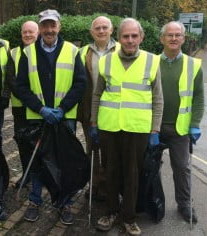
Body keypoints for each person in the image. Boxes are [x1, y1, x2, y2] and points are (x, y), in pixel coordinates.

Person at [91, 18, 163, 236]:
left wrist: (155, 130)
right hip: (109, 126)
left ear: (141, 37)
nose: (130, 40)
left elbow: (158, 99)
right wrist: (94, 123)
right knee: (110, 172)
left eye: (134, 36)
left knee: (132, 175)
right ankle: (110, 212)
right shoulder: (106, 61)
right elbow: (97, 94)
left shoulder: (152, 61)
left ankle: (129, 217)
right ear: (119, 38)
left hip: (137, 128)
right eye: (125, 36)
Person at [15, 9, 86, 225]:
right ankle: (35, 201)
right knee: (38, 162)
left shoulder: (73, 51)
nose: (49, 29)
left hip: (64, 119)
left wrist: (62, 109)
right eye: (45, 25)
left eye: (52, 25)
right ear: (40, 28)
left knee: (64, 162)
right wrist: (41, 109)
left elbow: (80, 83)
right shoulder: (28, 53)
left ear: (59, 26)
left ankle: (64, 203)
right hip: (38, 118)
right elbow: (21, 87)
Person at [159, 21, 204, 223]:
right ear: (162, 38)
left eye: (178, 35)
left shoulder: (193, 65)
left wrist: (195, 123)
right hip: (153, 127)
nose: (174, 38)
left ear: (184, 39)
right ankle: (149, 201)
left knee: (182, 168)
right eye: (170, 35)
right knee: (148, 167)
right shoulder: (151, 63)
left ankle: (184, 205)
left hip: (180, 128)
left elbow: (199, 97)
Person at [77, 15, 119, 201]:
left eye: (105, 27)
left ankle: (109, 188)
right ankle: (94, 186)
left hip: (115, 112)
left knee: (111, 153)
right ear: (91, 32)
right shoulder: (83, 52)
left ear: (111, 30)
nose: (101, 31)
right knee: (92, 152)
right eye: (97, 28)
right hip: (90, 113)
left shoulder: (121, 50)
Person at [6, 20, 39, 188]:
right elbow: (11, 79)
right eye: (25, 32)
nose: (27, 35)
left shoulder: (43, 51)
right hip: (20, 107)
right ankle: (27, 175)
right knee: (23, 142)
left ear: (38, 33)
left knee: (40, 144)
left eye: (31, 32)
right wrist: (27, 98)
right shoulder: (12, 53)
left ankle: (42, 177)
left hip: (39, 109)